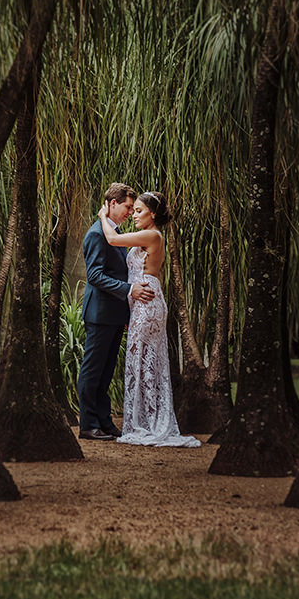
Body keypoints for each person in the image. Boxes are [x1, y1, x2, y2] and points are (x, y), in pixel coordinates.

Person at [97, 191, 201, 448]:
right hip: (142, 302)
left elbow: (112, 239)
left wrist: (103, 216)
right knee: (141, 362)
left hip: (147, 305)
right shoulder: (145, 237)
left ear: (153, 214)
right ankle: (144, 419)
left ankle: (148, 422)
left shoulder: (152, 235)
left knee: (144, 362)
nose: (133, 215)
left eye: (139, 211)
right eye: (133, 211)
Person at [77, 183, 154, 440]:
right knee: (92, 370)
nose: (129, 212)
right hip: (99, 315)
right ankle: (88, 425)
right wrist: (130, 290)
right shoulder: (97, 234)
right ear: (112, 203)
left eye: (133, 208)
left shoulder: (115, 233)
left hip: (114, 315)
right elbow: (95, 276)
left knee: (106, 372)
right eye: (127, 207)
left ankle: (105, 422)